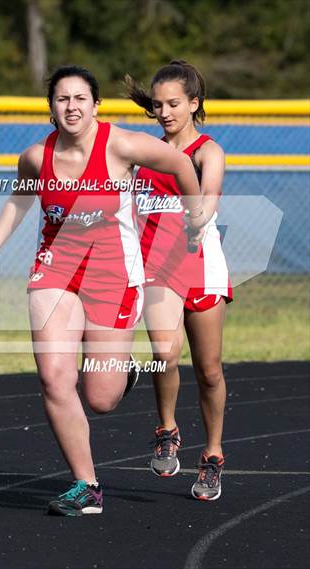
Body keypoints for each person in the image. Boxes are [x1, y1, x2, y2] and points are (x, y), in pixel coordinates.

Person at [0, 64, 202, 516]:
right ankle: (87, 486)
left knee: (100, 397)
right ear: (51, 108)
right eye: (62, 99)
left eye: (80, 98)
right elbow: (19, 200)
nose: (71, 107)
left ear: (95, 105)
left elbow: (177, 163)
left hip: (112, 274)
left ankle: (125, 370)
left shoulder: (121, 145)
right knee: (55, 376)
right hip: (55, 269)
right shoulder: (37, 156)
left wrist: (197, 212)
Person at [126, 60, 232, 500]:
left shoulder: (208, 151)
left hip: (201, 265)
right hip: (158, 270)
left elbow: (207, 204)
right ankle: (167, 427)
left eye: (173, 103)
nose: (165, 112)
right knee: (164, 353)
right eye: (157, 105)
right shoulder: (143, 154)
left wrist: (197, 216)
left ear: (194, 103)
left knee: (209, 371)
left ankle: (212, 454)